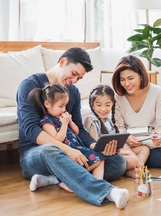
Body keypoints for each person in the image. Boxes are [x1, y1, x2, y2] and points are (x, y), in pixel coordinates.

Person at [16, 47, 129, 209]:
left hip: (69, 149)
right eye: (74, 74)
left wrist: (96, 147)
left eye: (79, 78)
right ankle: (109, 192)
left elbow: (80, 130)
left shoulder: (73, 92)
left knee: (117, 162)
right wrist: (68, 150)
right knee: (50, 150)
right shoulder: (29, 85)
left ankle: (56, 178)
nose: (75, 81)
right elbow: (31, 130)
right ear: (62, 62)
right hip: (35, 155)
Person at [28, 84, 106, 181]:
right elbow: (57, 140)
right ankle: (70, 180)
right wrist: (64, 124)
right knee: (94, 161)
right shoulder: (47, 122)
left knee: (100, 159)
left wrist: (70, 122)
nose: (64, 109)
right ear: (47, 104)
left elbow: (77, 132)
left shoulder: (62, 117)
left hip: (78, 147)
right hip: (67, 151)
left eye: (65, 106)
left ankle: (97, 181)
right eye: (61, 106)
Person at [111, 55, 161, 168]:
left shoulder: (157, 92)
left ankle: (132, 162)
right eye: (122, 79)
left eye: (131, 78)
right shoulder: (117, 97)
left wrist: (157, 134)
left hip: (150, 141)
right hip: (129, 143)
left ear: (141, 76)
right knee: (117, 150)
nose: (126, 84)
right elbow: (118, 127)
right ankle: (136, 161)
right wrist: (126, 137)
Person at [84, 84, 150, 178]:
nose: (103, 109)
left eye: (107, 105)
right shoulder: (91, 120)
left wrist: (126, 151)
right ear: (92, 104)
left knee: (145, 149)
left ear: (112, 104)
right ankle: (134, 168)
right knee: (133, 159)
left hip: (116, 151)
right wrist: (124, 153)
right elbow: (97, 148)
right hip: (105, 155)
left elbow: (118, 141)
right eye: (99, 105)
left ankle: (133, 170)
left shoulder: (108, 120)